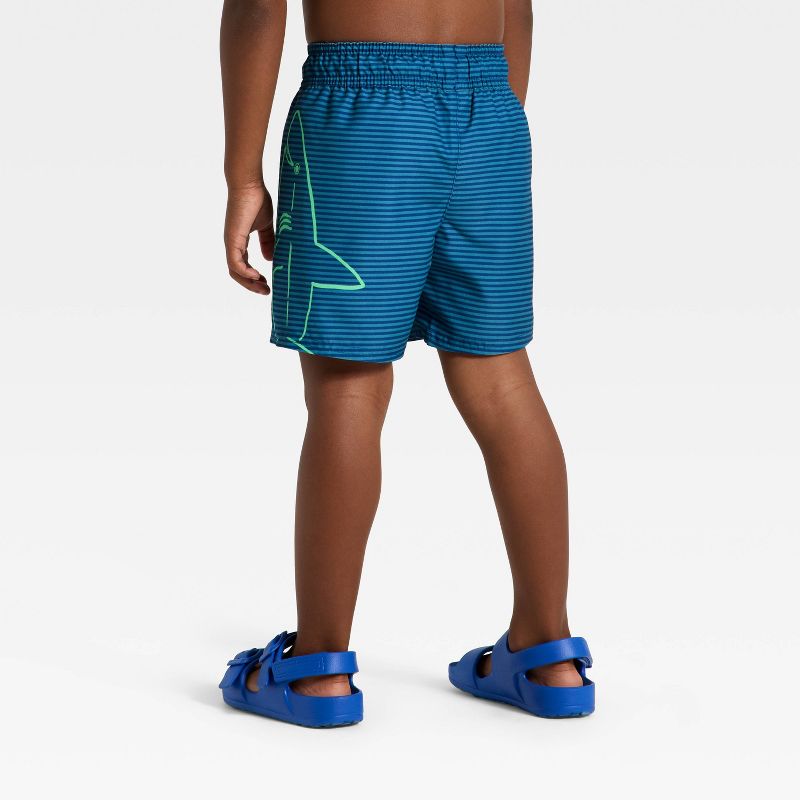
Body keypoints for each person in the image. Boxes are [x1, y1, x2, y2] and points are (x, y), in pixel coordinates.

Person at [217, 0, 595, 727]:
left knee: (348, 385)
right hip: (490, 108)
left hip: (364, 113)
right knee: (502, 378)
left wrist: (242, 177)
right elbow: (518, 8)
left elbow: (259, 6)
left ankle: (316, 671)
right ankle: (548, 653)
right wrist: (485, 131)